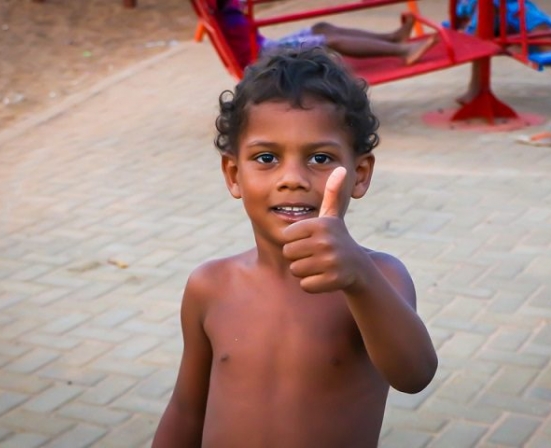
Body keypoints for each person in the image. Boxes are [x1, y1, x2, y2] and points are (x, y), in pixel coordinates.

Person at [152, 48, 438, 447]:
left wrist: (359, 280)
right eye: (266, 157)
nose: (292, 179)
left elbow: (415, 375)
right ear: (234, 174)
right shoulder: (210, 286)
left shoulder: (380, 278)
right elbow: (186, 409)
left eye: (319, 158)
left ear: (359, 174)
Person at [215, 0, 438, 70]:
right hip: (261, 56)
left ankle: (392, 39)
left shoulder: (228, 8)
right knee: (329, 41)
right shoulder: (224, 8)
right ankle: (404, 51)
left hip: (264, 45)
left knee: (321, 27)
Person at [456, 0, 551, 109]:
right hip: (483, 9)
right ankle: (475, 87)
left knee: (539, 27)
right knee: (484, 23)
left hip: (512, 6)